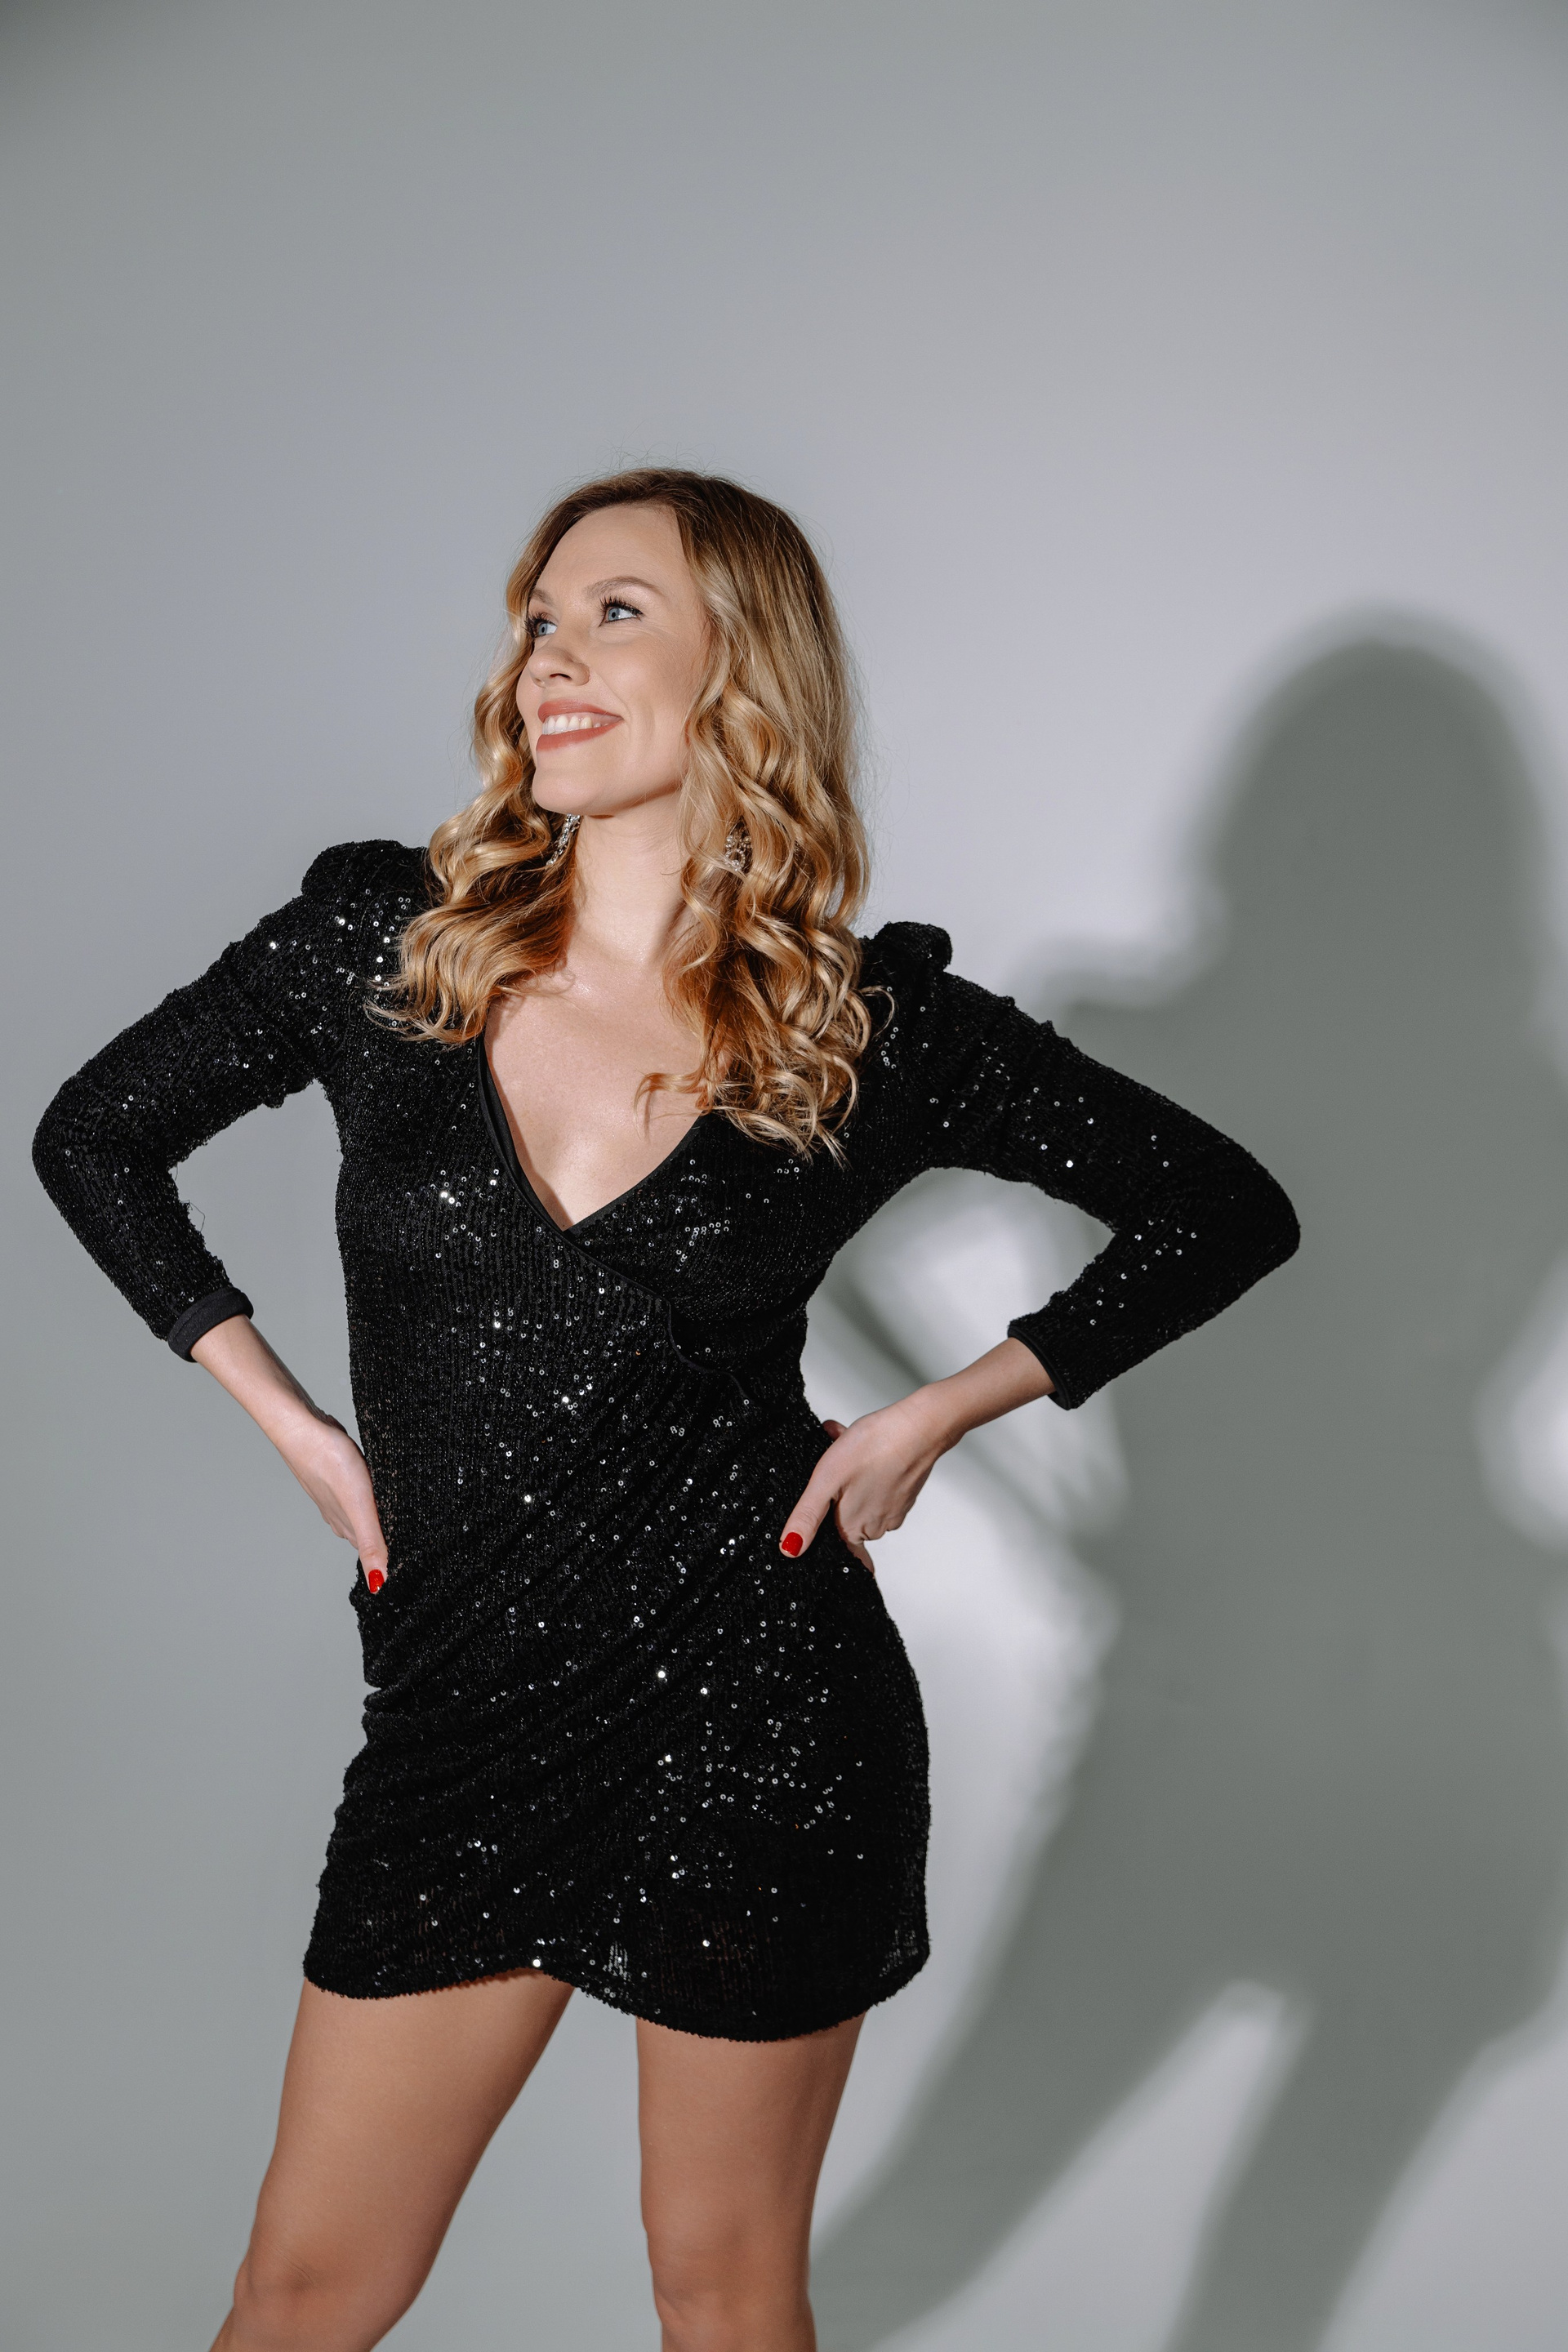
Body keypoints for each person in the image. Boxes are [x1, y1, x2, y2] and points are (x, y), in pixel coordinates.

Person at [33, 467, 1299, 2352]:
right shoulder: (381, 949)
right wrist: (293, 1424)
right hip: (464, 1716)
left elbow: (1221, 1208)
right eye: (538, 618)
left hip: (762, 1714)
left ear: (741, 666)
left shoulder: (856, 1026)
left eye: (613, 613)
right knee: (303, 2295)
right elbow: (97, 1137)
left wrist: (938, 1414)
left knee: (722, 2298)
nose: (548, 655)